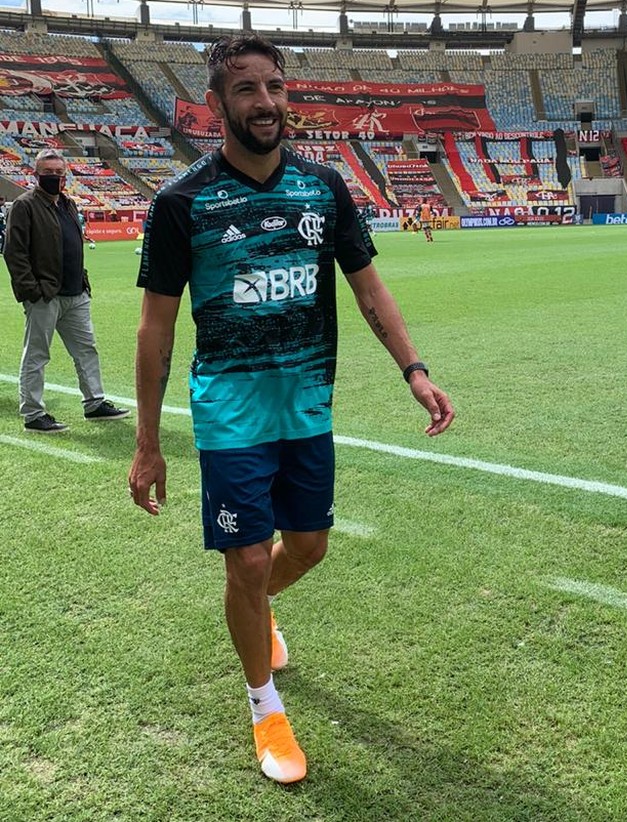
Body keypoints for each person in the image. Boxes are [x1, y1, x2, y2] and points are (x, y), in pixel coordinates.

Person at [127, 34, 454, 786]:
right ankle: (263, 705)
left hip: (307, 406)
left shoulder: (324, 188)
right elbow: (155, 327)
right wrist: (148, 443)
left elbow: (369, 288)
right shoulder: (182, 203)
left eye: (274, 87)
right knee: (245, 560)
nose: (265, 103)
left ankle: (254, 606)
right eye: (246, 90)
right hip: (230, 411)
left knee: (306, 549)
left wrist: (415, 371)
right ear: (217, 105)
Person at [4, 148, 129, 433]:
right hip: (45, 295)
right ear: (36, 175)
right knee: (36, 354)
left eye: (59, 173)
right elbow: (14, 252)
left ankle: (94, 403)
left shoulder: (68, 204)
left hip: (76, 293)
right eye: (48, 173)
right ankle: (33, 413)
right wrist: (31, 290)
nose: (54, 178)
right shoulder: (24, 205)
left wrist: (81, 282)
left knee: (86, 350)